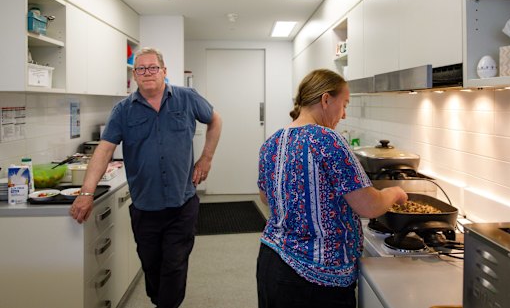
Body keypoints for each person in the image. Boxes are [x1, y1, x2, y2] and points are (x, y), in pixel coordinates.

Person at [69, 47, 222, 308]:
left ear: (164, 71)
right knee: (151, 266)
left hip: (181, 202)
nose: (147, 73)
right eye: (141, 69)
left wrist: (206, 158)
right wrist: (86, 193)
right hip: (144, 206)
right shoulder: (123, 110)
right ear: (134, 75)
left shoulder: (187, 98)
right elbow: (104, 149)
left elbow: (215, 120)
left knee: (174, 265)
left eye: (153, 67)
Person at [256, 69, 408, 308]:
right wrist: (395, 193)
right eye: (344, 104)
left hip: (271, 263)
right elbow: (369, 206)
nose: (344, 114)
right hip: (314, 280)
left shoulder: (272, 142)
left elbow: (265, 197)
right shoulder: (327, 139)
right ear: (326, 99)